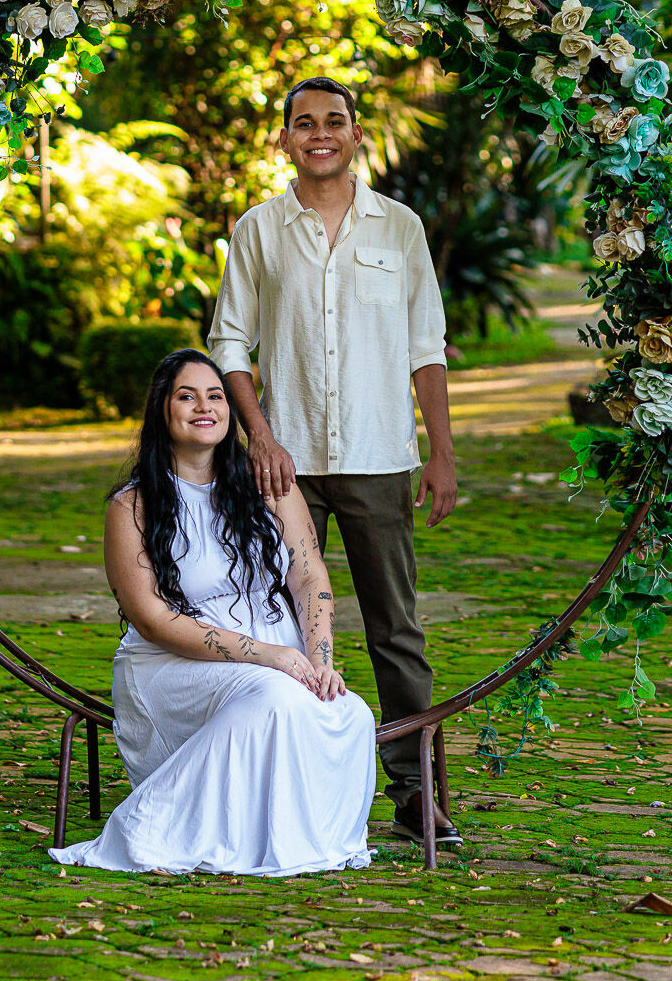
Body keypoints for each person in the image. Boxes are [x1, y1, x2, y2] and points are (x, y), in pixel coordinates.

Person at [208, 74, 463, 847]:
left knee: (395, 630)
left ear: (356, 135)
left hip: (381, 455)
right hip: (282, 465)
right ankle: (283, 785)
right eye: (303, 122)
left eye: (335, 121)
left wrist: (442, 455)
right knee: (274, 621)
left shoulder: (400, 228)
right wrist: (260, 436)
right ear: (284, 138)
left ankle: (415, 793)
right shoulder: (258, 230)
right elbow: (229, 341)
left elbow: (426, 346)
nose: (320, 132)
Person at [48, 349, 376, 877]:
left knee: (350, 715)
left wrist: (319, 661)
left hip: (282, 663)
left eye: (216, 396)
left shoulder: (269, 483)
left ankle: (289, 842)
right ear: (162, 411)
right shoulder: (131, 507)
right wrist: (270, 656)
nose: (204, 407)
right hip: (172, 667)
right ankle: (158, 831)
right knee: (273, 699)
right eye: (187, 396)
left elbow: (309, 574)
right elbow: (152, 620)